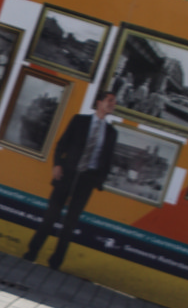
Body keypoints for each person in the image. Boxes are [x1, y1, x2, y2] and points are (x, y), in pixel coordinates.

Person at [22, 91, 118, 271]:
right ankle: (32, 252)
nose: (113, 104)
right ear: (99, 102)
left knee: (71, 222)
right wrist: (57, 165)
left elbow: (108, 159)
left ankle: (56, 261)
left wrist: (99, 180)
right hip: (67, 174)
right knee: (51, 215)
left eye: (114, 102)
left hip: (86, 180)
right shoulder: (79, 121)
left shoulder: (111, 132)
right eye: (110, 100)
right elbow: (62, 144)